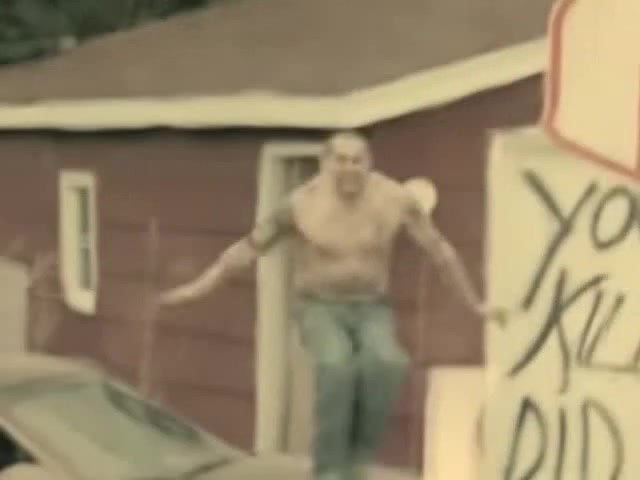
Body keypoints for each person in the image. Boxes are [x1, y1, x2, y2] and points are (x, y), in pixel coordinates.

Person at [157, 131, 506, 480]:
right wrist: (196, 288)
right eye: (341, 160)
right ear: (325, 164)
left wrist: (475, 304)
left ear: (369, 163)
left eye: (357, 160)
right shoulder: (300, 204)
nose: (349, 168)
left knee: (387, 363)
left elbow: (441, 252)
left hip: (371, 307)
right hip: (319, 306)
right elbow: (246, 249)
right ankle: (328, 470)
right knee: (337, 366)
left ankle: (357, 462)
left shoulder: (394, 200)